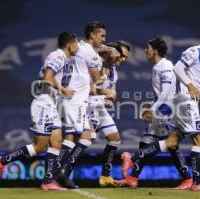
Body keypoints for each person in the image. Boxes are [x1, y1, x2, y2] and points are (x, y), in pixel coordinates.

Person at [117, 29, 200, 192]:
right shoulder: (194, 51)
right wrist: (190, 85)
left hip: (183, 103)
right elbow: (178, 68)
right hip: (186, 100)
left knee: (171, 142)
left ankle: (134, 158)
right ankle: (197, 183)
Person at [0, 32, 78, 191]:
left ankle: (48, 181)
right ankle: (1, 161)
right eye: (77, 44)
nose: (78, 47)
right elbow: (47, 77)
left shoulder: (65, 59)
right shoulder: (57, 56)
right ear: (70, 45)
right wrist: (63, 90)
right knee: (39, 147)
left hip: (52, 105)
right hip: (43, 103)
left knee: (56, 142)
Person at [120, 37, 192, 189]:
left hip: (169, 111)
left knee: (169, 145)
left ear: (156, 51)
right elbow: (160, 94)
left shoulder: (165, 66)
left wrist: (152, 110)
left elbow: (166, 93)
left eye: (147, 47)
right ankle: (133, 178)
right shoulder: (157, 66)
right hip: (162, 109)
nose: (145, 50)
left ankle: (132, 159)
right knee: (148, 142)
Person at [54, 21, 110, 189]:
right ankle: (57, 172)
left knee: (79, 137)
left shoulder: (76, 47)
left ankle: (61, 173)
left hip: (70, 98)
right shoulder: (89, 52)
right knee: (83, 138)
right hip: (76, 100)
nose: (104, 39)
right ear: (92, 35)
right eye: (102, 35)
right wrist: (106, 73)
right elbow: (97, 80)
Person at [88, 41, 131, 187]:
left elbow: (112, 90)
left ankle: (105, 176)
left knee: (114, 139)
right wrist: (106, 92)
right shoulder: (96, 63)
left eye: (125, 57)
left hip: (100, 108)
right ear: (113, 51)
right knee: (83, 142)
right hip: (87, 107)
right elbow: (89, 89)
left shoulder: (113, 70)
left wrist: (111, 98)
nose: (123, 59)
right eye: (122, 55)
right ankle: (61, 171)